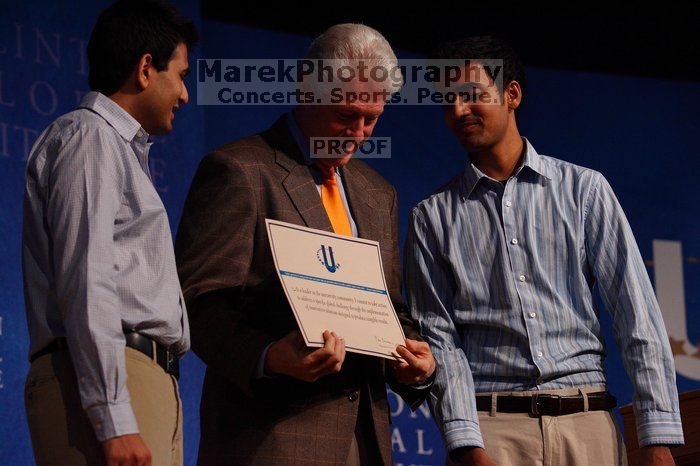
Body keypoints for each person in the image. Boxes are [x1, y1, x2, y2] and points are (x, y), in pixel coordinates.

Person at [404, 36, 684, 466]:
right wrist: (467, 447)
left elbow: (636, 315)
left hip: (589, 423)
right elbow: (439, 340)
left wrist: (657, 437)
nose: (458, 111)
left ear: (511, 93)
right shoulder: (431, 218)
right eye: (447, 102)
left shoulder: (585, 191)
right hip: (493, 430)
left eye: (470, 95)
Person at [175, 23, 436, 465]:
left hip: (367, 441)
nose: (359, 133)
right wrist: (269, 356)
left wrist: (413, 359)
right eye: (345, 114)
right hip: (273, 439)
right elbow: (196, 304)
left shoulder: (378, 195)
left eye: (372, 118)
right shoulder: (240, 171)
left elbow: (387, 307)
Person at [22, 1, 197, 465]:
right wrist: (114, 419)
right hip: (116, 381)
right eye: (180, 75)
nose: (184, 94)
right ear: (145, 69)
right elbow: (88, 277)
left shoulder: (112, 148)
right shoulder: (91, 137)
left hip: (141, 382)